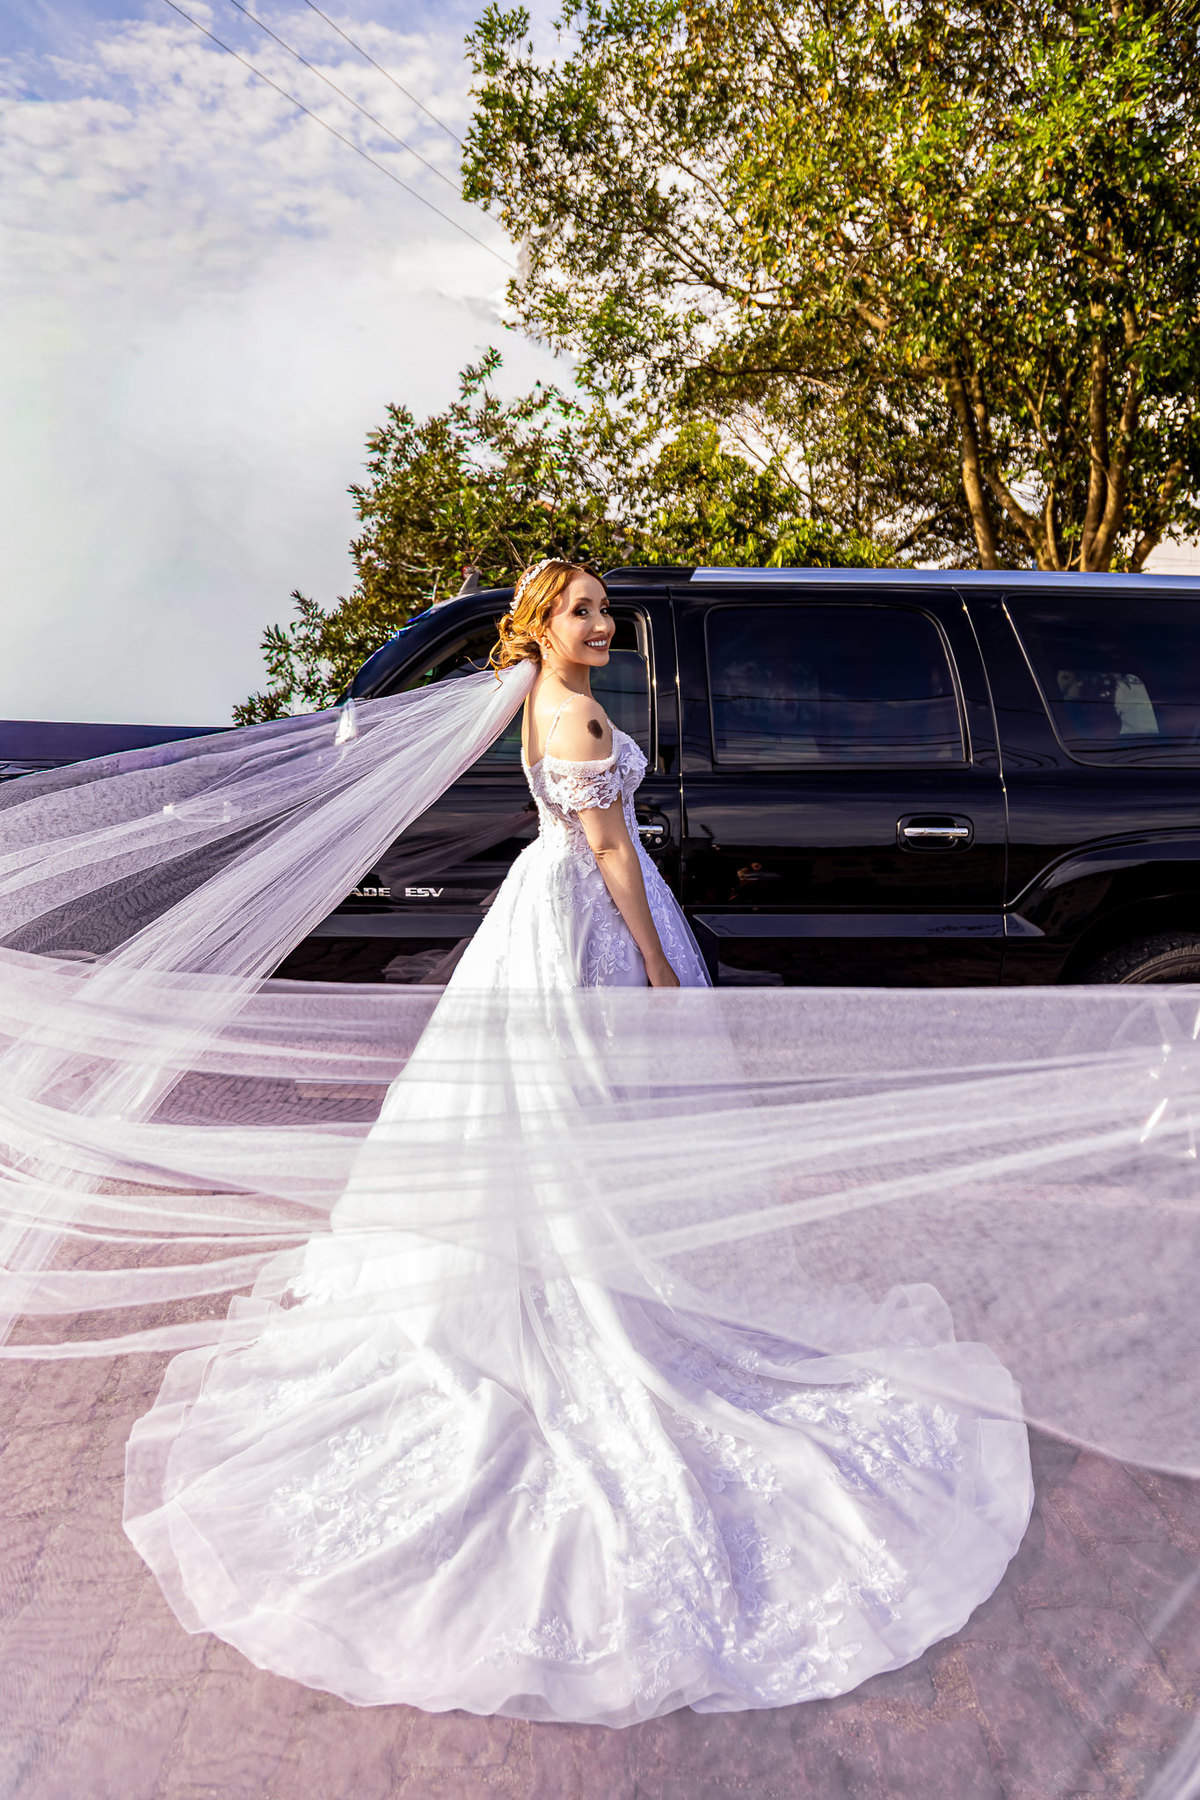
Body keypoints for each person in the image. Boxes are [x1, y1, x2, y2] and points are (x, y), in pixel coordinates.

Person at [118, 561, 1034, 1725]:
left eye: (604, 611)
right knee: (601, 1106)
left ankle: (559, 1266)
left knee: (543, 1112)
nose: (603, 625)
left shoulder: (539, 703)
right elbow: (610, 854)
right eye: (581, 611)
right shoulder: (583, 716)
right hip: (592, 923)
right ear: (541, 624)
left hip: (537, 918)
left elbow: (571, 829)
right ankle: (608, 1287)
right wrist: (657, 966)